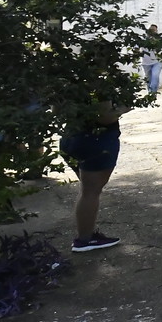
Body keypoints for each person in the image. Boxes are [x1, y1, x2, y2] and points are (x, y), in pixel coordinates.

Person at [59, 94, 125, 255]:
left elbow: (56, 109)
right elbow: (105, 117)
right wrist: (125, 107)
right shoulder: (100, 83)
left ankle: (87, 233)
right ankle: (85, 240)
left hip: (70, 137)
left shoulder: (67, 81)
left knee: (87, 190)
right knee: (90, 192)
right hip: (96, 141)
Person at [140, 26, 162, 97]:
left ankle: (153, 94)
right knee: (148, 80)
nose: (153, 31)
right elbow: (136, 48)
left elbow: (161, 49)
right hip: (145, 63)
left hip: (157, 62)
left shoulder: (159, 39)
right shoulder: (142, 39)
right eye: (151, 29)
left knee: (155, 76)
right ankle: (150, 94)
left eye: (154, 30)